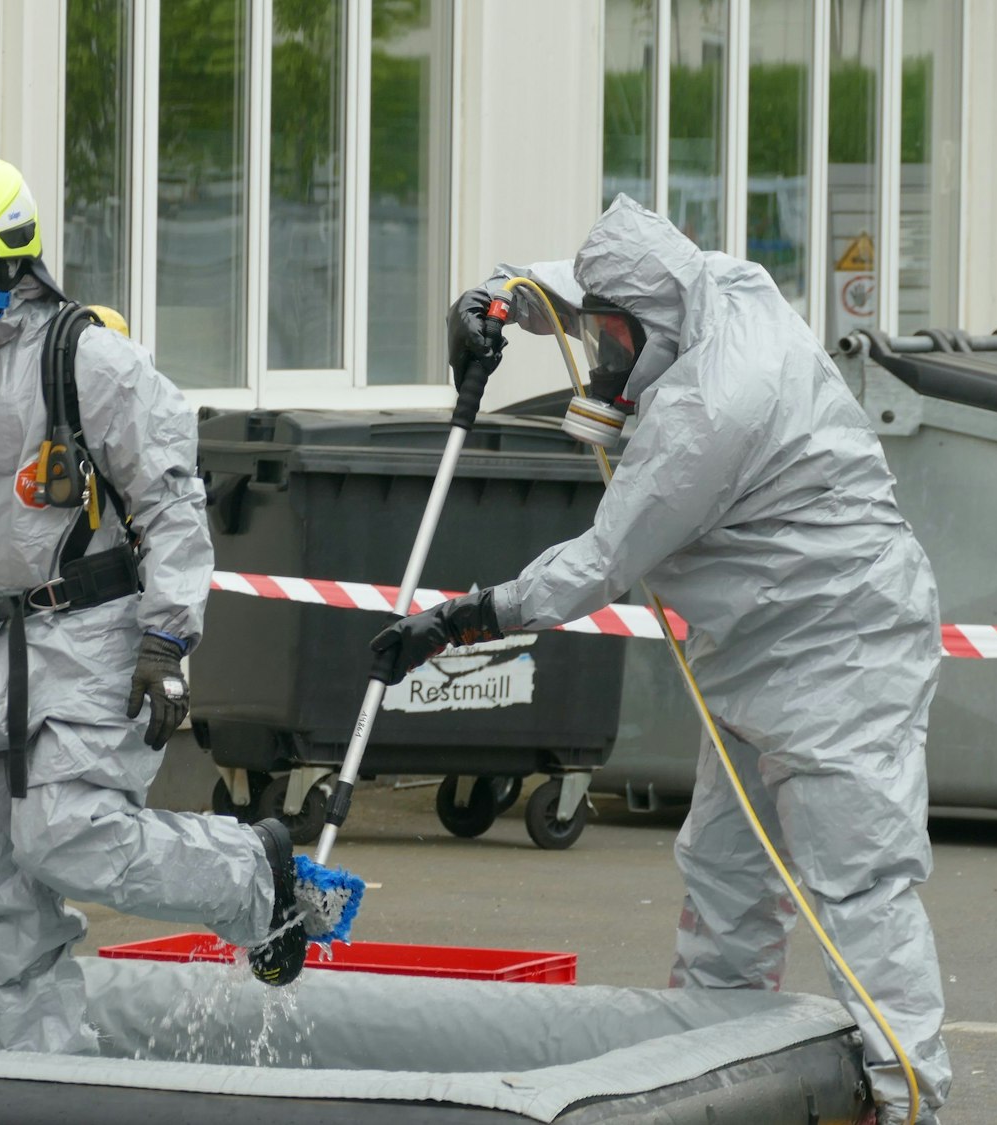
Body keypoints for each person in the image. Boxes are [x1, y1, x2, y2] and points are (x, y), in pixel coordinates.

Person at [371, 195, 950, 1125]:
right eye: (596, 336)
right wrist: (499, 299)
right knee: (726, 869)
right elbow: (606, 288)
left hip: (840, 644)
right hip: (754, 648)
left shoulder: (716, 403)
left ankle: (905, 1093)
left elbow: (604, 559)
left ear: (657, 328)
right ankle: (720, 1070)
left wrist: (464, 620)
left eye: (611, 343)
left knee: (859, 882)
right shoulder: (709, 286)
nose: (601, 361)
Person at [0, 152, 338, 1054]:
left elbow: (173, 502)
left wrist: (168, 642)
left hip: (91, 637)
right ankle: (49, 1070)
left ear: (11, 266)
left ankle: (260, 877)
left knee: (68, 836)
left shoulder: (86, 359)